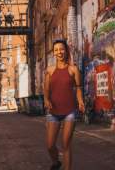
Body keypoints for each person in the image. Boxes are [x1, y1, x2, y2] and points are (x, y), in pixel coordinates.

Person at [44, 39, 85, 170]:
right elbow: (46, 89)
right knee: (50, 145)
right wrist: (46, 100)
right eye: (56, 50)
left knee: (65, 144)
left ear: (66, 51)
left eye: (61, 49)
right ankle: (56, 163)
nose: (59, 52)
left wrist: (80, 101)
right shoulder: (49, 70)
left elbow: (78, 88)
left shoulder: (73, 70)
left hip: (70, 111)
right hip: (53, 112)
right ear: (53, 53)